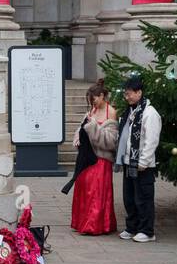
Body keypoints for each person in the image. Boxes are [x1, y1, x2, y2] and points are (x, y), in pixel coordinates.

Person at [114, 75, 161, 243]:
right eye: (125, 94)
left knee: (143, 198)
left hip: (143, 165)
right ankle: (132, 227)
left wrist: (143, 161)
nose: (127, 97)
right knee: (129, 197)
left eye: (129, 94)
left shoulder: (149, 113)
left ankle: (147, 231)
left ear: (139, 92)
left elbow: (151, 140)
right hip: (129, 162)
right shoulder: (131, 111)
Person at [69, 81, 119, 235]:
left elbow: (110, 141)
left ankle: (95, 225)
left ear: (102, 96)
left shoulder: (111, 112)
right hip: (87, 157)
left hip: (101, 159)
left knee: (96, 193)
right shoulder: (92, 109)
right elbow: (82, 128)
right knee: (84, 190)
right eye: (91, 101)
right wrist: (78, 136)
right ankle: (82, 222)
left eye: (94, 99)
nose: (93, 103)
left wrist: (92, 127)